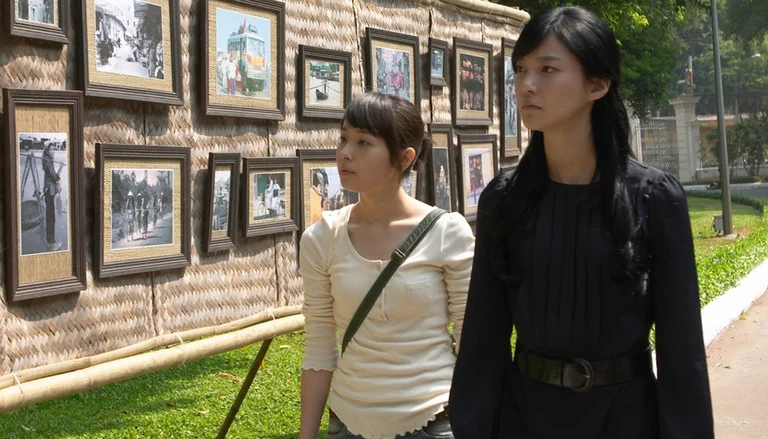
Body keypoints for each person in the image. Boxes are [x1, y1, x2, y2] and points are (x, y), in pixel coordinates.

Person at [448, 6, 714, 439]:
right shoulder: (505, 199)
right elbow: (483, 337)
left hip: (626, 420)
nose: (527, 85)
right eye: (521, 69)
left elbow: (681, 348)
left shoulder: (653, 197)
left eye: (548, 69)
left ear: (597, 84)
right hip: (525, 418)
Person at [298, 92, 475, 439]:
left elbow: (473, 338)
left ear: (405, 157)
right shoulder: (322, 237)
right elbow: (319, 346)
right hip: (348, 422)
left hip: (433, 420)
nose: (345, 153)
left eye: (364, 142)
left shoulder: (447, 232)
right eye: (343, 138)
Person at [42, 141, 61, 251]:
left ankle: (50, 240)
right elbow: (54, 176)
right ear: (46, 150)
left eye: (54, 149)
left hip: (49, 190)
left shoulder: (48, 160)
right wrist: (58, 180)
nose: (53, 151)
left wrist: (61, 168)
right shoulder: (47, 161)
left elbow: (54, 176)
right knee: (51, 216)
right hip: (49, 190)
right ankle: (51, 243)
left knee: (50, 215)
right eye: (50, 149)